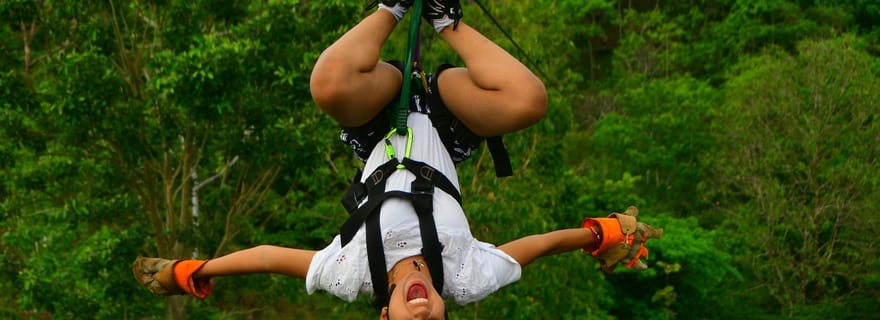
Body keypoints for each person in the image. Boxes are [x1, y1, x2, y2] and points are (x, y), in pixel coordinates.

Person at [132, 1, 663, 319]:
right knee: (530, 101)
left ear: (385, 315)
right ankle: (443, 18)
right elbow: (540, 246)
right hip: (451, 119)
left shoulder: (351, 273)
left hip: (378, 121)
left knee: (327, 85)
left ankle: (393, 6)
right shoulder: (468, 276)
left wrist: (194, 271)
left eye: (409, 319)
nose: (421, 309)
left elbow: (270, 256)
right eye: (433, 318)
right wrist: (600, 234)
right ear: (445, 311)